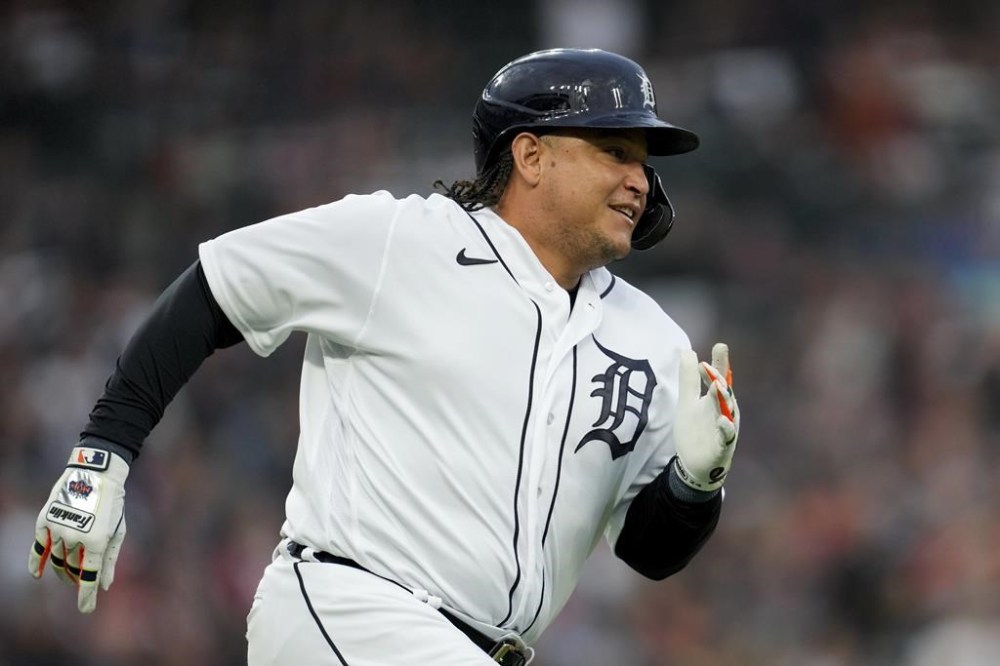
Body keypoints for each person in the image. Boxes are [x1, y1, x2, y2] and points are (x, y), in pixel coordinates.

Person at [28, 48, 741, 665]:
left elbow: (649, 551)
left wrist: (695, 482)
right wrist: (102, 455)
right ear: (530, 154)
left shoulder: (651, 340)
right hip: (349, 611)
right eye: (614, 151)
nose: (639, 180)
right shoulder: (401, 241)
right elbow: (215, 291)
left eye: (643, 163)